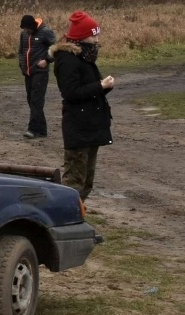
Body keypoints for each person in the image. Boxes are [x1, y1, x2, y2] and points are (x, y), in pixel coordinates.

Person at [52, 11, 114, 201]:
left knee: (86, 182)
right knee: (74, 183)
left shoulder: (85, 57)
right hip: (78, 127)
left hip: (91, 126)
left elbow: (87, 89)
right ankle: (65, 220)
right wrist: (99, 86)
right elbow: (70, 93)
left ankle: (78, 216)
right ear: (81, 36)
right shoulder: (67, 59)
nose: (96, 40)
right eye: (93, 35)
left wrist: (103, 87)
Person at [19, 13, 56, 139]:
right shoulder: (24, 34)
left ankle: (33, 129)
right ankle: (42, 129)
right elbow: (21, 51)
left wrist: (47, 60)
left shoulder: (46, 32)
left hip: (40, 72)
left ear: (33, 26)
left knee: (36, 100)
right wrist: (22, 64)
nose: (26, 31)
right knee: (31, 100)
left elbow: (55, 48)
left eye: (27, 28)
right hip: (27, 72)